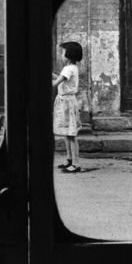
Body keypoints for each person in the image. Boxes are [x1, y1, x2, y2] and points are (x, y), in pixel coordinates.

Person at [52, 41, 83, 174]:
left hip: (67, 102)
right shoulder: (71, 67)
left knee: (71, 134)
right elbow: (59, 78)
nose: (61, 53)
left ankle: (75, 163)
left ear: (69, 53)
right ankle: (69, 159)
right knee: (67, 133)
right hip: (67, 101)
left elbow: (55, 83)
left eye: (63, 51)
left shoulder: (68, 69)